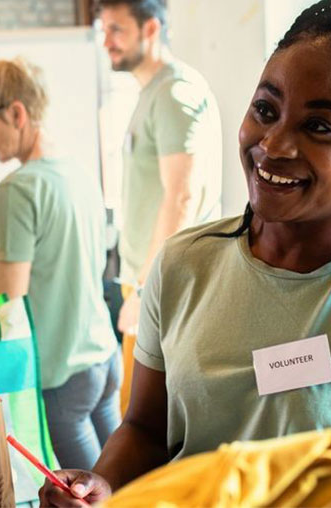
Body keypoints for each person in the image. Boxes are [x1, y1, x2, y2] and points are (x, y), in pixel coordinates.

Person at [40, 0, 331, 504]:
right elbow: (146, 430)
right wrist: (98, 486)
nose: (274, 145)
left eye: (319, 126)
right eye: (265, 110)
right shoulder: (181, 265)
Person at [0, 58, 121, 470]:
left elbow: (8, 301)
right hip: (104, 359)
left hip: (63, 374)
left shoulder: (16, 190)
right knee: (130, 486)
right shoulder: (78, 173)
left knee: (94, 496)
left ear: (16, 113)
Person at [98, 0, 223, 415]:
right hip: (151, 284)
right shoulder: (151, 92)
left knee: (154, 422)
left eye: (117, 29)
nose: (107, 41)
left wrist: (145, 288)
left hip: (168, 288)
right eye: (104, 29)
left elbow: (181, 196)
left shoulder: (174, 92)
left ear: (150, 29)